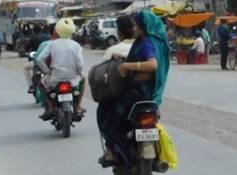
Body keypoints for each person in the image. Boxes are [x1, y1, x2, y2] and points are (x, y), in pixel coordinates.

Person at [98, 11, 170, 163]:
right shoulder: (146, 42)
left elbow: (152, 64)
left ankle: (119, 151)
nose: (134, 28)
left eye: (136, 25)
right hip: (146, 93)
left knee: (106, 112)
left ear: (144, 27)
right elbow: (142, 58)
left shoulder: (147, 43)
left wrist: (127, 66)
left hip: (139, 93)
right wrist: (123, 59)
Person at [38, 18, 86, 120]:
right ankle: (77, 106)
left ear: (57, 30)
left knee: (40, 83)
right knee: (83, 80)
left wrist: (48, 72)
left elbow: (40, 59)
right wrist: (78, 73)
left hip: (55, 78)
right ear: (72, 31)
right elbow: (80, 64)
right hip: (72, 78)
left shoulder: (52, 44)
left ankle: (50, 107)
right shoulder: (76, 45)